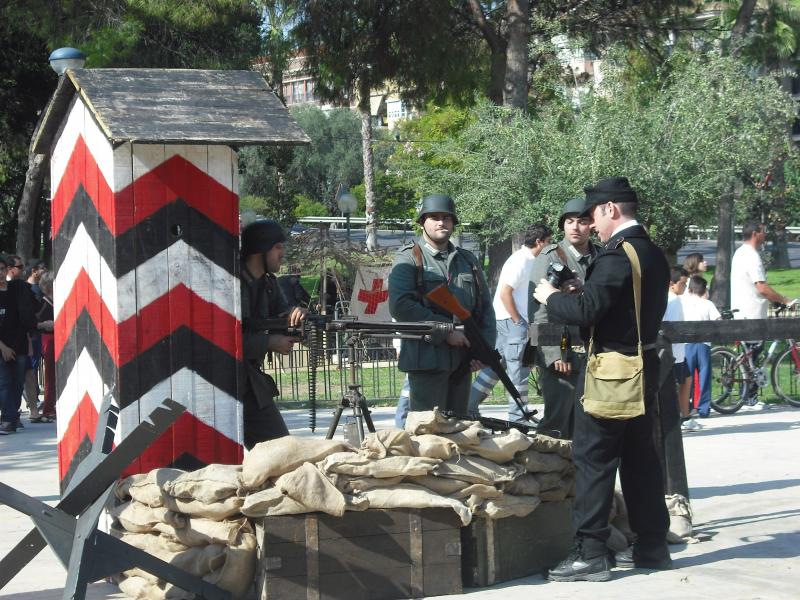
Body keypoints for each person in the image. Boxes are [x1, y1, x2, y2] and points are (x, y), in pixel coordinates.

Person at [534, 176, 671, 581]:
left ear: (611, 209)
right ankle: (652, 546)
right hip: (644, 367)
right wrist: (585, 289)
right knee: (641, 460)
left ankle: (591, 552)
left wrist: (551, 298)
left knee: (593, 459)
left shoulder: (616, 255)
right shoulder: (650, 252)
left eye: (594, 215)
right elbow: (618, 305)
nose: (591, 225)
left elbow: (587, 313)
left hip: (611, 372)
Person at [388, 194, 494, 414]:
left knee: (459, 426)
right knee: (429, 428)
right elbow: (401, 305)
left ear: (453, 223)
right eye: (434, 217)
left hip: (463, 359)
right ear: (422, 222)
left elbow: (485, 308)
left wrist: (482, 349)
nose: (441, 222)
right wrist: (445, 331)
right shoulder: (409, 258)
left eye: (446, 218)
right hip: (426, 358)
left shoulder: (468, 260)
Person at [529, 198, 600, 439]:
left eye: (582, 221)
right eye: (569, 221)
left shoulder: (602, 256)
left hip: (596, 352)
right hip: (564, 351)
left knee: (590, 424)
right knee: (557, 422)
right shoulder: (550, 256)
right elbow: (538, 311)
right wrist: (554, 353)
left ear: (592, 224)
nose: (575, 227)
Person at [468, 222, 553, 422]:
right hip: (513, 322)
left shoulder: (526, 259)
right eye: (549, 242)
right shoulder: (522, 260)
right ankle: (518, 418)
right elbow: (505, 292)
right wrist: (518, 321)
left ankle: (469, 405)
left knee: (497, 366)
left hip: (506, 321)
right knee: (520, 371)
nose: (550, 246)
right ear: (539, 242)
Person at [240, 220, 307, 449]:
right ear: (260, 250)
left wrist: (297, 315)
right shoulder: (231, 285)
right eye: (278, 247)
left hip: (250, 383)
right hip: (224, 381)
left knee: (282, 452)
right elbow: (223, 339)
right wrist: (268, 342)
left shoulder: (269, 284)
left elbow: (283, 316)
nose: (282, 253)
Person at [730, 220, 792, 409]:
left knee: (750, 357)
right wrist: (784, 300)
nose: (765, 235)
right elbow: (762, 287)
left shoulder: (739, 253)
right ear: (755, 233)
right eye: (763, 231)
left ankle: (747, 396)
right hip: (752, 314)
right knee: (754, 356)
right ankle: (751, 398)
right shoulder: (752, 256)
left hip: (741, 311)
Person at [0, 256, 37, 434]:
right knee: (4, 382)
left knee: (18, 383)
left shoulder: (18, 289)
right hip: (2, 346)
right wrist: (3, 347)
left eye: (1, 269)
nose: (0, 273)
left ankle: (11, 417)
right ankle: (8, 419)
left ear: (7, 269)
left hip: (20, 344)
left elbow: (28, 316)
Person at [663, 267, 700, 432]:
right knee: (679, 384)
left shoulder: (669, 299)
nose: (684, 287)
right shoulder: (673, 300)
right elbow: (672, 326)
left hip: (677, 353)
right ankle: (681, 418)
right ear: (672, 284)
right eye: (682, 284)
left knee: (687, 380)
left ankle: (685, 416)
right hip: (674, 353)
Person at [682, 275, 721, 419]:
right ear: (704, 290)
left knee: (687, 377)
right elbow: (718, 320)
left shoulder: (683, 303)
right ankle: (704, 408)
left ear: (690, 289)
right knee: (704, 376)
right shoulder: (708, 304)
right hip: (703, 344)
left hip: (687, 344)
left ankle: (687, 406)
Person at [34, 271, 56, 422]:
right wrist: (45, 325)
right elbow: (35, 322)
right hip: (48, 339)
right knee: (50, 375)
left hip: (55, 338)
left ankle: (51, 406)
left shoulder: (55, 301)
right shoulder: (43, 303)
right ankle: (48, 408)